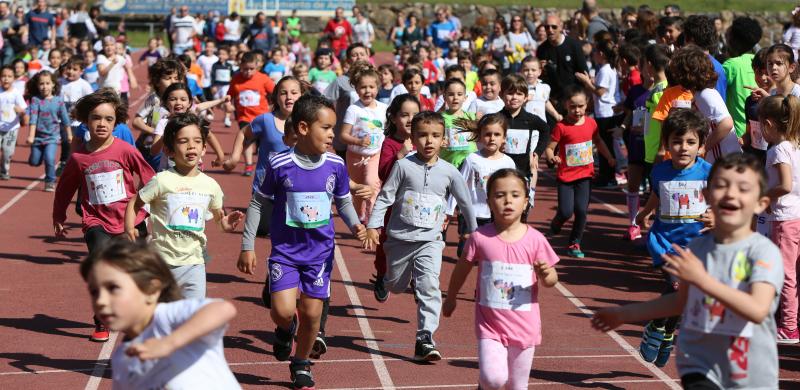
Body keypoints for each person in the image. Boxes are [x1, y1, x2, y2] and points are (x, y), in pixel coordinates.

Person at [592, 152, 784, 389]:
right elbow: (681, 300)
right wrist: (625, 314)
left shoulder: (763, 252)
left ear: (761, 203)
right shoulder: (698, 248)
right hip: (700, 366)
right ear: (705, 195)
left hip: (750, 372)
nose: (731, 193)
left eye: (743, 188)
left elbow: (757, 309)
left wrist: (703, 280)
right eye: (721, 186)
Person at [237, 95, 366, 389]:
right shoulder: (280, 163)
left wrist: (357, 225)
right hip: (285, 252)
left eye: (334, 128)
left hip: (320, 254)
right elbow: (258, 203)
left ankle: (301, 363)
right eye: (327, 127)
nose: (333, 134)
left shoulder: (336, 164)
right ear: (304, 128)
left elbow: (344, 202)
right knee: (282, 311)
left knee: (312, 314)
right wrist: (248, 245)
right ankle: (286, 330)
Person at [364, 111, 477, 362]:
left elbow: (465, 202)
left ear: (443, 140)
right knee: (397, 285)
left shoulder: (449, 171)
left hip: (430, 240)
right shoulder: (404, 166)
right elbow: (385, 197)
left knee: (430, 286)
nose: (429, 141)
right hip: (399, 239)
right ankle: (385, 279)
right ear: (412, 138)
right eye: (423, 136)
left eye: (435, 136)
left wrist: (474, 231)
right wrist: (373, 225)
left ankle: (425, 337)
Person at [53, 89, 155, 342]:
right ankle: (102, 320)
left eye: (108, 119)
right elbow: (65, 188)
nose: (102, 124)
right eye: (96, 118)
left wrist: (151, 206)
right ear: (86, 121)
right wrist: (58, 216)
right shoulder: (79, 158)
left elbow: (149, 177)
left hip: (130, 219)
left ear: (116, 122)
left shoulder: (125, 150)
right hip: (95, 221)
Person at [443, 168, 558, 390]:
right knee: (493, 379)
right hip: (490, 326)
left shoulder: (536, 240)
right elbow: (462, 268)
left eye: (515, 195)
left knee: (517, 385)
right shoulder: (480, 238)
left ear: (526, 202)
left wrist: (546, 274)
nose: (507, 201)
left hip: (525, 328)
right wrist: (451, 297)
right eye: (499, 195)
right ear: (488, 202)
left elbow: (552, 279)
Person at [80, 240, 240, 389]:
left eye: (113, 288)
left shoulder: (168, 318)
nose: (100, 301)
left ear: (151, 289)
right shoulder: (123, 359)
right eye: (94, 292)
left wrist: (168, 344)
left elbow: (222, 308)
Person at [125, 113, 243, 299]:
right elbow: (135, 202)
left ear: (204, 149)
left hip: (194, 263)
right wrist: (129, 227)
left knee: (192, 316)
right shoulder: (161, 180)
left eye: (197, 141)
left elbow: (220, 221)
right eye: (183, 141)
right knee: (161, 318)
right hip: (161, 263)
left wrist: (226, 224)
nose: (191, 146)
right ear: (169, 150)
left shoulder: (211, 185)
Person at [634, 109, 713, 366]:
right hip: (665, 242)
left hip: (698, 245)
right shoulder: (659, 172)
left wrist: (716, 216)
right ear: (667, 144)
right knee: (678, 285)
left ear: (701, 146)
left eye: (691, 142)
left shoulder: (708, 173)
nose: (683, 148)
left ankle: (667, 331)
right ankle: (656, 326)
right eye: (677, 142)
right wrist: (644, 212)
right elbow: (657, 195)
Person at [544, 86, 615, 258]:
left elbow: (598, 141)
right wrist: (552, 157)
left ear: (587, 105)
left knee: (581, 211)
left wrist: (609, 157)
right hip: (566, 177)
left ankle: (575, 242)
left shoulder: (591, 123)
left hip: (585, 176)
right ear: (566, 106)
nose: (577, 110)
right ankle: (556, 223)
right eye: (573, 107)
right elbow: (549, 148)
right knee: (566, 211)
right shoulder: (561, 127)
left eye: (581, 106)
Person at [759, 95, 800, 343]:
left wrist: (763, 195)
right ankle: (793, 321)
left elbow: (784, 185)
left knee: (786, 273)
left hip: (785, 217)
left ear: (769, 124)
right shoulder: (796, 145)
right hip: (796, 214)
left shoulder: (778, 149)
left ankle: (788, 326)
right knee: (795, 270)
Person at [447, 113, 516, 257]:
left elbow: (514, 188)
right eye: (487, 134)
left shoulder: (508, 162)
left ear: (504, 138)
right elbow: (458, 185)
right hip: (471, 212)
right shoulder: (472, 159)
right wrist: (448, 211)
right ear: (480, 136)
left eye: (497, 134)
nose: (492, 138)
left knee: (490, 252)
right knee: (465, 253)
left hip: (496, 213)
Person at [372, 94, 420, 302]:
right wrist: (400, 155)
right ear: (393, 118)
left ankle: (419, 279)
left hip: (418, 204)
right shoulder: (390, 144)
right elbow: (383, 172)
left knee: (420, 241)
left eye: (415, 115)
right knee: (387, 243)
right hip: (394, 205)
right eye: (404, 115)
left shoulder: (424, 141)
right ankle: (382, 275)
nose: (410, 119)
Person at [624, 44, 670, 241]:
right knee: (656, 193)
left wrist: (662, 148)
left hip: (658, 152)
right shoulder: (660, 89)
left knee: (659, 195)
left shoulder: (662, 91)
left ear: (649, 65)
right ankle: (652, 234)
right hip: (649, 149)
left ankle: (659, 239)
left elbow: (667, 122)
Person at [340, 64, 388, 222]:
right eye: (363, 87)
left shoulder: (383, 109)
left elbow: (388, 131)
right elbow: (343, 135)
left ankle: (372, 222)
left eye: (371, 87)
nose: (367, 91)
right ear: (356, 89)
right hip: (354, 156)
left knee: (371, 185)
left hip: (375, 156)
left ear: (378, 87)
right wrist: (358, 141)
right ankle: (359, 216)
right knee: (358, 192)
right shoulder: (353, 110)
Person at [498, 74, 549, 213]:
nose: (514, 97)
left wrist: (537, 152)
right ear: (501, 95)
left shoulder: (531, 120)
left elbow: (546, 131)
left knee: (520, 213)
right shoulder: (496, 119)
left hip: (523, 172)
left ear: (526, 97)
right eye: (510, 93)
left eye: (519, 94)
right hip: (500, 171)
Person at [575, 39, 621, 188]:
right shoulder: (608, 69)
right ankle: (606, 175)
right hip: (606, 111)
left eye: (595, 52)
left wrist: (586, 82)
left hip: (606, 112)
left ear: (601, 53)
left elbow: (600, 92)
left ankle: (608, 177)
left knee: (604, 145)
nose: (593, 54)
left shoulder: (605, 70)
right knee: (604, 144)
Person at [226, 51, 275, 176]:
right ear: (240, 66)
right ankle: (248, 165)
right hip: (244, 116)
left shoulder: (263, 78)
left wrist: (273, 106)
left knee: (265, 143)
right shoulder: (236, 79)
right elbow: (229, 95)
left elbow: (275, 92)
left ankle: (267, 166)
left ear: (257, 66)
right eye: (245, 69)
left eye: (251, 69)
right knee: (247, 141)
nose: (248, 72)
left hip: (262, 116)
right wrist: (228, 104)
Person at [25, 70, 70, 192]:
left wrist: (69, 135)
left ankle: (50, 181)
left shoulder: (59, 101)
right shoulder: (35, 100)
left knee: (49, 159)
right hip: (38, 137)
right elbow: (33, 119)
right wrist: (31, 136)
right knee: (34, 162)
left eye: (47, 83)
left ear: (53, 84)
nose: (44, 86)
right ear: (37, 85)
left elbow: (65, 119)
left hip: (52, 137)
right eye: (41, 84)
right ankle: (34, 158)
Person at [324, 43, 370, 159]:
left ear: (367, 56)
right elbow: (324, 102)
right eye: (355, 55)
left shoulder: (375, 80)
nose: (359, 57)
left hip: (369, 135)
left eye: (362, 54)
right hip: (346, 137)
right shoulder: (341, 81)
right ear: (349, 60)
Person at [723, 17, 762, 139]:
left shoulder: (731, 65)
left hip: (738, 135)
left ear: (734, 41)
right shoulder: (760, 61)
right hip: (759, 134)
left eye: (728, 38)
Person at [439, 78, 476, 169]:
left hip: (470, 164)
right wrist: (440, 142)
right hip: (450, 164)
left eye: (459, 94)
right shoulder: (440, 118)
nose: (455, 97)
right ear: (444, 97)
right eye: (451, 94)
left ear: (465, 98)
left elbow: (477, 137)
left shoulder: (471, 117)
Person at [0, 65, 26, 180]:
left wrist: (20, 111)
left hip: (12, 128)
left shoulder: (16, 93)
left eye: (9, 76)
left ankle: (4, 169)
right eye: (3, 76)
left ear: (14, 79)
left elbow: (23, 109)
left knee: (7, 151)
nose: (6, 78)